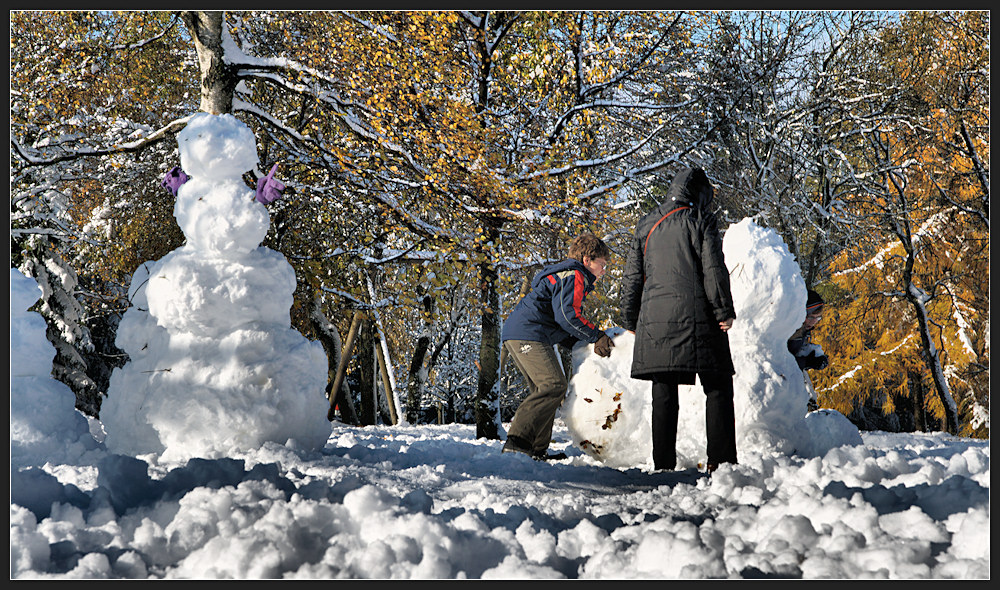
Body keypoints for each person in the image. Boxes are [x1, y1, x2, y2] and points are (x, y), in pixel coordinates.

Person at [619, 167, 738, 473]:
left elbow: (632, 277)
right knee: (718, 385)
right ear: (699, 194)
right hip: (699, 317)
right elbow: (713, 269)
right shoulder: (701, 220)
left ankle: (663, 464)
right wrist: (723, 310)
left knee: (663, 388)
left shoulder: (646, 225)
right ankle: (721, 463)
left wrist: (630, 318)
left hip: (655, 319)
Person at [501, 233, 615, 461]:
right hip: (529, 333)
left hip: (524, 332)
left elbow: (558, 319)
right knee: (553, 385)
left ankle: (535, 449)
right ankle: (517, 442)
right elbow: (567, 315)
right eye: (601, 264)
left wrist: (579, 343)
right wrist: (596, 336)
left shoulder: (568, 275)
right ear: (587, 259)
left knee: (544, 390)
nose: (604, 271)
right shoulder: (574, 275)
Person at [788, 289, 829, 411]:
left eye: (818, 318)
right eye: (810, 316)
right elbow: (782, 360)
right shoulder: (791, 330)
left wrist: (814, 356)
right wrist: (806, 362)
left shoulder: (803, 329)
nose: (814, 321)